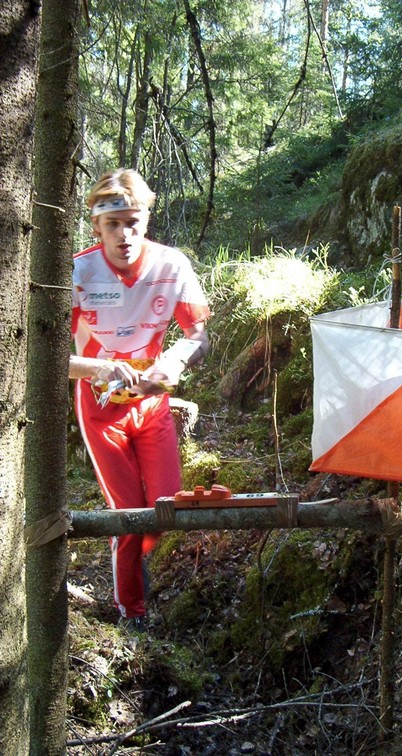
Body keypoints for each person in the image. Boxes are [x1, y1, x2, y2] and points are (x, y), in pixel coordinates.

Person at [69, 168, 210, 630]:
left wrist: (174, 363)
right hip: (100, 408)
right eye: (113, 224)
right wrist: (98, 368)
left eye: (133, 222)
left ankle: (134, 560)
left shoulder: (172, 265)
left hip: (151, 402)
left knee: (166, 508)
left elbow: (198, 335)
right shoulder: (78, 271)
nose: (124, 234)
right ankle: (132, 612)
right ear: (96, 226)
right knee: (128, 516)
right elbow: (41, 354)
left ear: (146, 220)